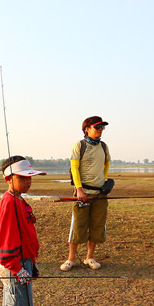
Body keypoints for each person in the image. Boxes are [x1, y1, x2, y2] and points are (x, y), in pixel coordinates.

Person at [0, 155, 46, 306]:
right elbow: (6, 244)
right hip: (14, 266)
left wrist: (31, 264)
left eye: (30, 178)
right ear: (8, 178)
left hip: (24, 263)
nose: (28, 182)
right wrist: (17, 268)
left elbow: (26, 236)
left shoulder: (20, 201)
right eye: (22, 178)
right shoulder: (9, 202)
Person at [60, 116, 111, 271]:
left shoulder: (103, 146)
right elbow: (74, 168)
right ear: (87, 129)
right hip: (82, 193)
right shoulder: (79, 145)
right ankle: (71, 259)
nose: (100, 130)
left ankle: (89, 257)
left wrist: (105, 182)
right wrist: (79, 189)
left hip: (99, 194)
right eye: (97, 127)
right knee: (78, 225)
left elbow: (106, 164)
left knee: (97, 225)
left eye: (102, 127)